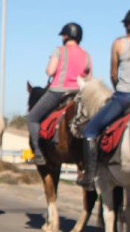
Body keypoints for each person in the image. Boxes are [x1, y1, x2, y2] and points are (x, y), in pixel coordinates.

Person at [78, 7, 130, 189]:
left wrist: (119, 89)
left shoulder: (119, 44)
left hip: (125, 99)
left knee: (89, 131)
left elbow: (113, 74)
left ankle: (89, 176)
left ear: (127, 25)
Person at [27, 23, 92, 165]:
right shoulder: (86, 54)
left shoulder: (59, 50)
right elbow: (89, 78)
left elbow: (49, 71)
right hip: (79, 93)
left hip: (58, 91)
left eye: (63, 35)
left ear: (66, 36)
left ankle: (38, 154)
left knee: (32, 118)